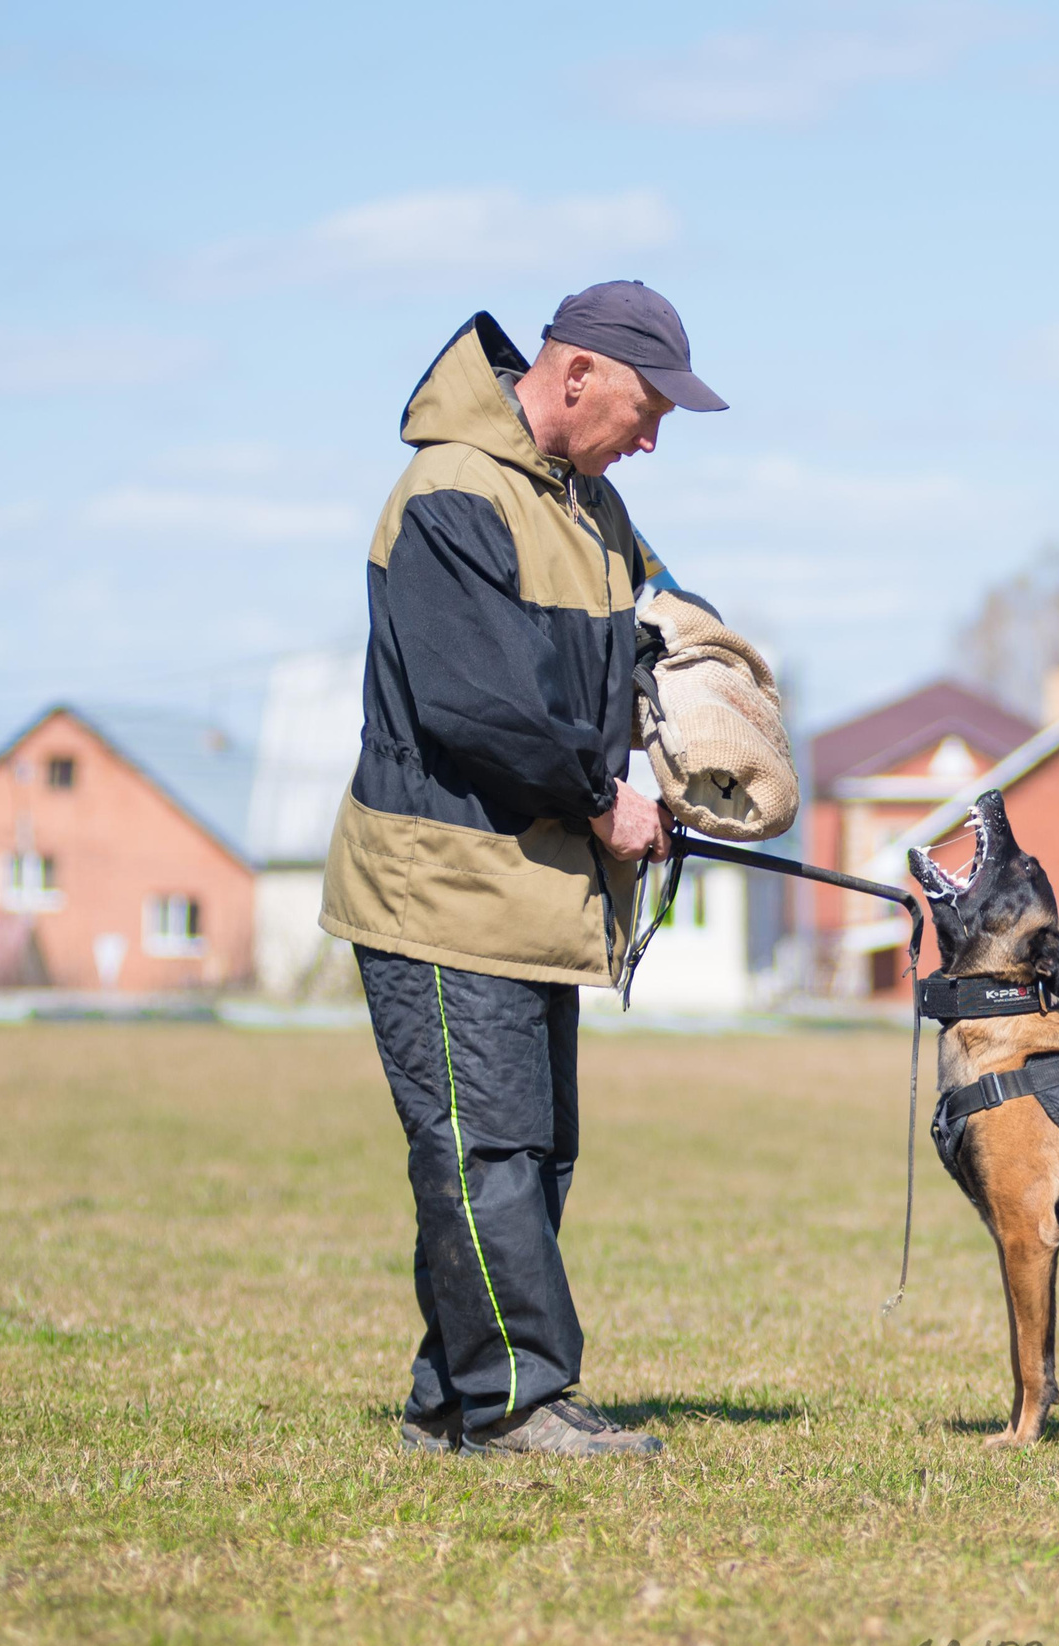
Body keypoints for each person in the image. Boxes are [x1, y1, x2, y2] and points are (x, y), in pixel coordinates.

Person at [320, 281, 727, 1457]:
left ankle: (452, 1398)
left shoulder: (592, 507)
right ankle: (516, 1403)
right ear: (577, 373)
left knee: (530, 1149)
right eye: (646, 408)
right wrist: (606, 801)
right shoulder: (451, 493)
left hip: (533, 887)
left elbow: (660, 633)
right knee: (485, 1145)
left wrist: (710, 724)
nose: (651, 438)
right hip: (439, 879)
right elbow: (475, 706)